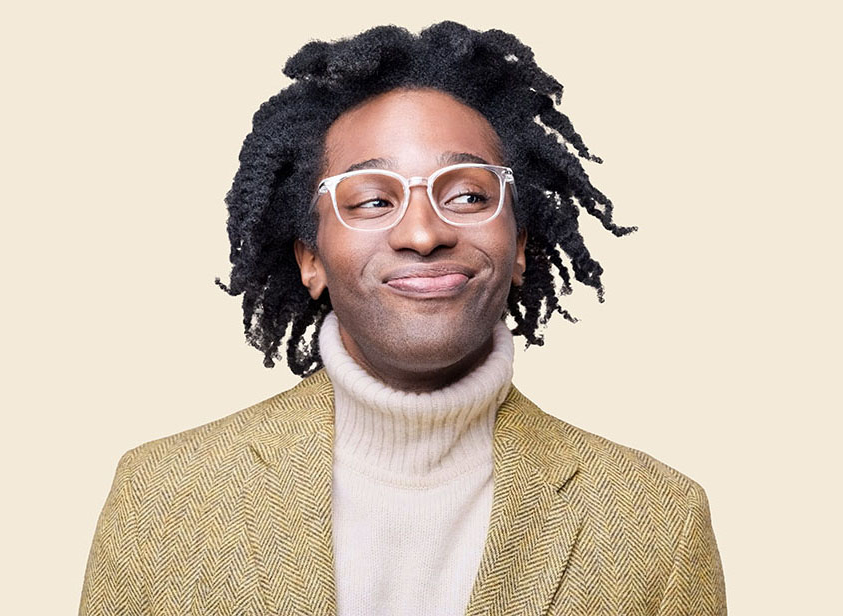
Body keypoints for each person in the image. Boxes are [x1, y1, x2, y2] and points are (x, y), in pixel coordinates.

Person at [79, 22, 726, 616]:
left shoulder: (658, 527)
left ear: (521, 244)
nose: (422, 232)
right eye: (370, 199)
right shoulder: (157, 502)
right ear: (310, 257)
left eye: (469, 194)